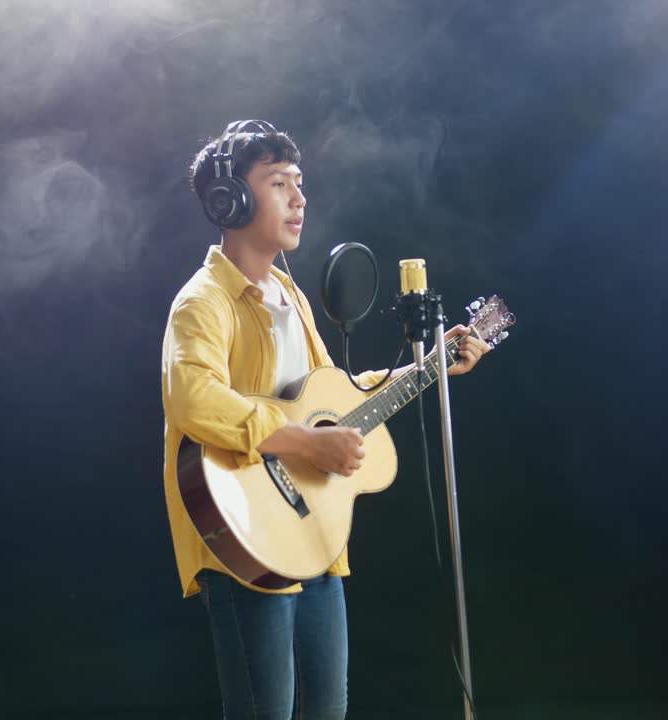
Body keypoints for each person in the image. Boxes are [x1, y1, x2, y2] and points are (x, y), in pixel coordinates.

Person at [160, 120, 490, 719]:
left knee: (328, 711)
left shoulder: (291, 297)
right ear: (229, 200)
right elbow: (194, 399)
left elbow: (335, 404)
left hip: (312, 535)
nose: (299, 198)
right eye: (279, 183)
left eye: (299, 182)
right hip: (247, 536)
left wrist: (432, 366)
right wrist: (304, 445)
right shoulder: (203, 301)